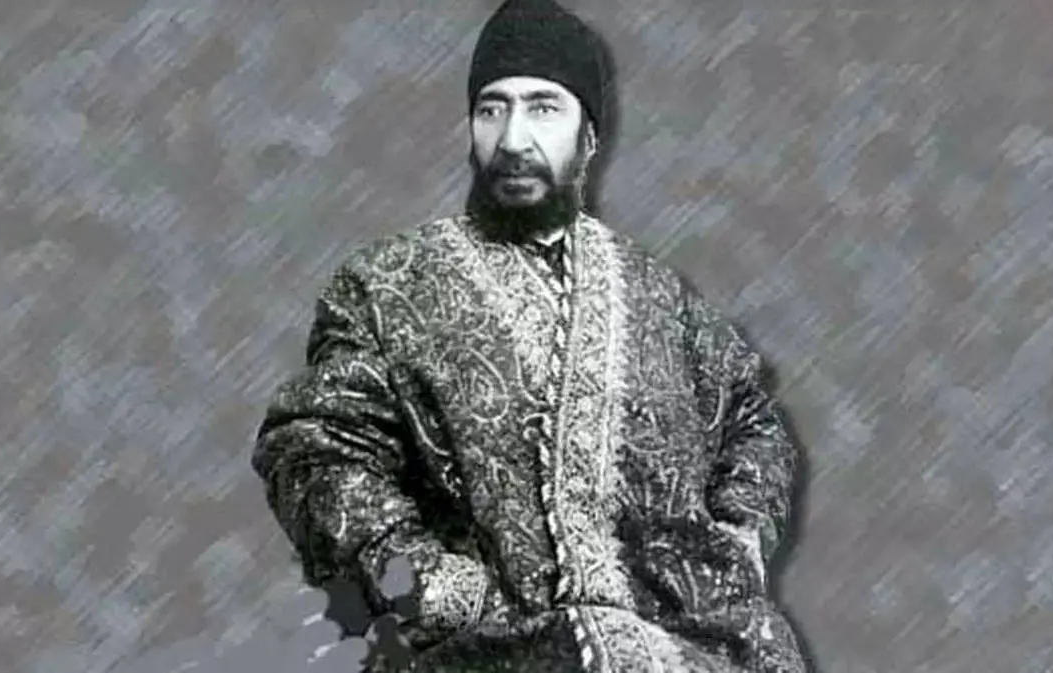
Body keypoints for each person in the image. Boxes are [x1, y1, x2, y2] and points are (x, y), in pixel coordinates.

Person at [253, 0, 810, 670]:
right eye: (492, 109)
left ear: (589, 137)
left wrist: (739, 536)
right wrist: (428, 584)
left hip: (691, 646)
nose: (513, 138)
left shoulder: (663, 299)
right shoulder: (387, 286)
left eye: (543, 108)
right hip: (482, 648)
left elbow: (753, 417)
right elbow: (312, 449)